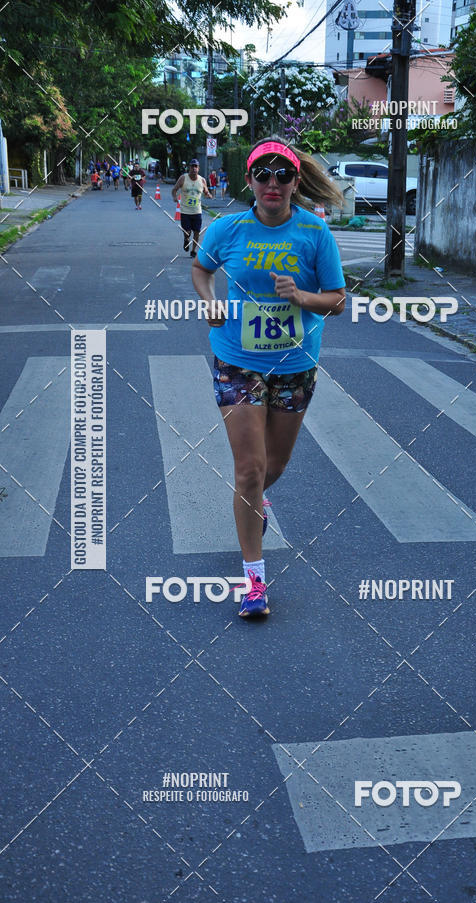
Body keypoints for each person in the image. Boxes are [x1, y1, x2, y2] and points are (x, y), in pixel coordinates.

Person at [192, 137, 345, 619]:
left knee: (272, 468)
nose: (273, 183)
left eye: (283, 175)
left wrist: (302, 297)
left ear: (296, 182)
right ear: (250, 181)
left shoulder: (315, 233)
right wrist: (209, 299)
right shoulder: (226, 227)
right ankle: (254, 581)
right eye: (264, 174)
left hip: (295, 364)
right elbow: (200, 269)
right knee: (249, 470)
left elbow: (338, 300)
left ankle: (258, 501)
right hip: (237, 359)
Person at [171, 159, 211, 256]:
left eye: (195, 166)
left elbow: (206, 191)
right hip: (185, 211)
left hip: (197, 211)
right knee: (187, 232)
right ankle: (186, 239)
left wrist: (208, 195)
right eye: (192, 166)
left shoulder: (202, 180)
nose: (194, 168)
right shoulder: (183, 178)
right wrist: (175, 197)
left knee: (197, 232)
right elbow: (174, 189)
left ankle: (193, 250)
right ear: (189, 167)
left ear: (198, 168)